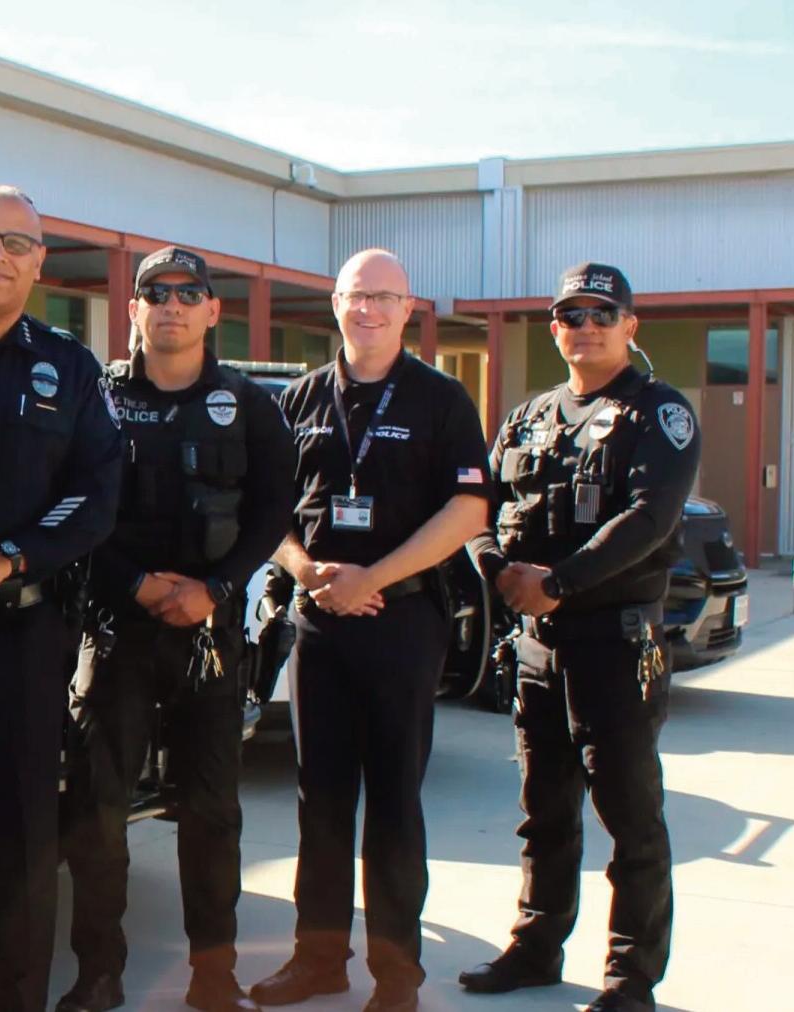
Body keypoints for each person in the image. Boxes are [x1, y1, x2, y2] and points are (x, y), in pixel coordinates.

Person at [249, 249, 488, 1012]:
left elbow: (468, 511)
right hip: (320, 623)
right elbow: (267, 509)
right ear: (336, 304)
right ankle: (318, 960)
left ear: (407, 308)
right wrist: (305, 569)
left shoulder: (442, 399)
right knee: (319, 802)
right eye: (357, 295)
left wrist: (371, 578)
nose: (369, 309)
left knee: (393, 805)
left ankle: (396, 976)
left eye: (384, 297)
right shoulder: (301, 398)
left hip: (402, 622)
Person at [58, 247, 293, 1012]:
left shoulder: (247, 403)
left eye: (189, 294)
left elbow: (273, 511)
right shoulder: (97, 399)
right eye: (155, 294)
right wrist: (134, 583)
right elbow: (71, 508)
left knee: (211, 813)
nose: (172, 306)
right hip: (114, 630)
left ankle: (213, 976)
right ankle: (99, 973)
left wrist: (216, 590)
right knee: (97, 811)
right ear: (134, 309)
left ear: (213, 311)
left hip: (207, 637)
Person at [457, 263, 697, 1012]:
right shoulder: (530, 416)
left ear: (630, 325)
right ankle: (535, 949)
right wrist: (498, 571)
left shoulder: (658, 412)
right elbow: (478, 507)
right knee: (544, 814)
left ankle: (630, 979)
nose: (586, 326)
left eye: (602, 313)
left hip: (614, 646)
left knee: (631, 821)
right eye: (571, 314)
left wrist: (557, 583)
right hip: (536, 646)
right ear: (554, 327)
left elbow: (649, 519)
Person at [0, 185, 124, 1012]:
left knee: (19, 854)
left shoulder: (68, 367)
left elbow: (98, 494)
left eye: (16, 243)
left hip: (17, 641)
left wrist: (5, 559)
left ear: (40, 263)